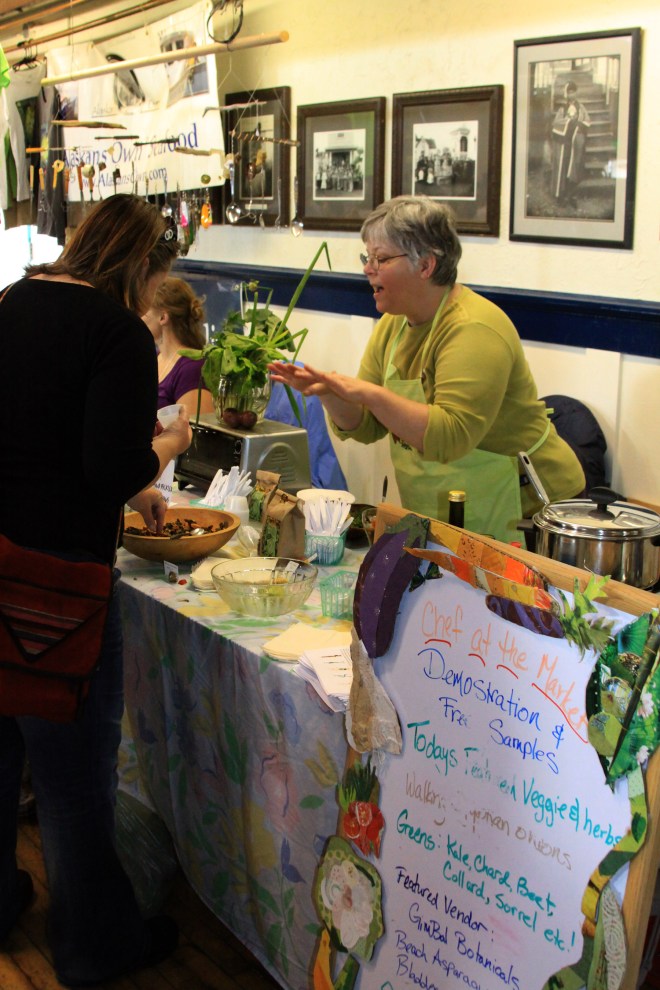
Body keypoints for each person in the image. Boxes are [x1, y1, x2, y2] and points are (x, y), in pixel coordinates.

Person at [0, 193, 192, 986]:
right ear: (142, 264)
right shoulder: (115, 333)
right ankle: (92, 947)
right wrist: (167, 448)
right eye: (157, 280)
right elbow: (107, 464)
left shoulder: (14, 300)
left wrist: (126, 484)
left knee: (0, 750)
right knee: (76, 779)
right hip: (59, 587)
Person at [269, 195, 586, 543]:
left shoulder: (474, 328)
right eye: (367, 256)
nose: (367, 268)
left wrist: (370, 394)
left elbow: (450, 436)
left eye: (381, 258)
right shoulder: (393, 327)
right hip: (449, 508)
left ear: (426, 265)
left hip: (527, 509)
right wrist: (329, 393)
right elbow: (366, 426)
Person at [142, 275, 214, 418]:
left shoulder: (193, 367)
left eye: (144, 310)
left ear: (163, 317)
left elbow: (195, 432)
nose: (139, 316)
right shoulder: (156, 357)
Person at [550, 81, 591, 206]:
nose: (572, 94)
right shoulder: (563, 109)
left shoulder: (581, 108)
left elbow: (587, 121)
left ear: (576, 93)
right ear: (566, 94)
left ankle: (571, 195)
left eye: (574, 92)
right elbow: (556, 123)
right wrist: (568, 122)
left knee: (574, 169)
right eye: (569, 92)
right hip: (565, 144)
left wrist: (578, 124)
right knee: (563, 167)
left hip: (575, 145)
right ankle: (561, 196)